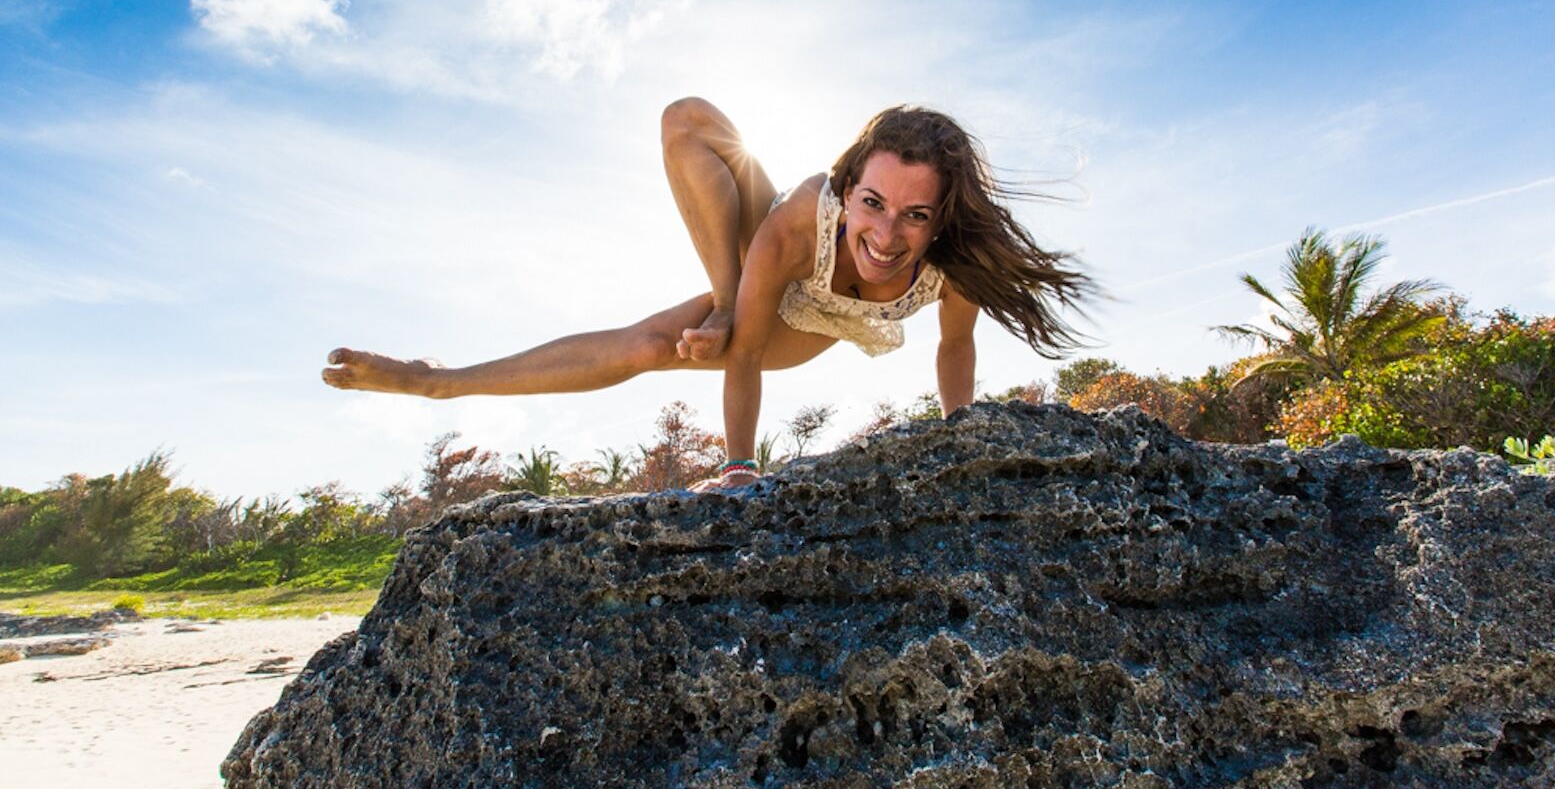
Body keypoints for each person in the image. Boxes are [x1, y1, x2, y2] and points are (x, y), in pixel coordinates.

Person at [322, 98, 1093, 491]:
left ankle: (726, 303)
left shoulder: (955, 264)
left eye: (914, 215)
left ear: (941, 216)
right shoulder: (799, 219)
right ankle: (436, 379)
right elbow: (743, 352)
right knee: (685, 122)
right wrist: (739, 468)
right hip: (770, 285)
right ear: (848, 185)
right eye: (872, 203)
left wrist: (961, 443)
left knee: (679, 340)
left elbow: (954, 346)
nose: (887, 234)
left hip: (811, 324)